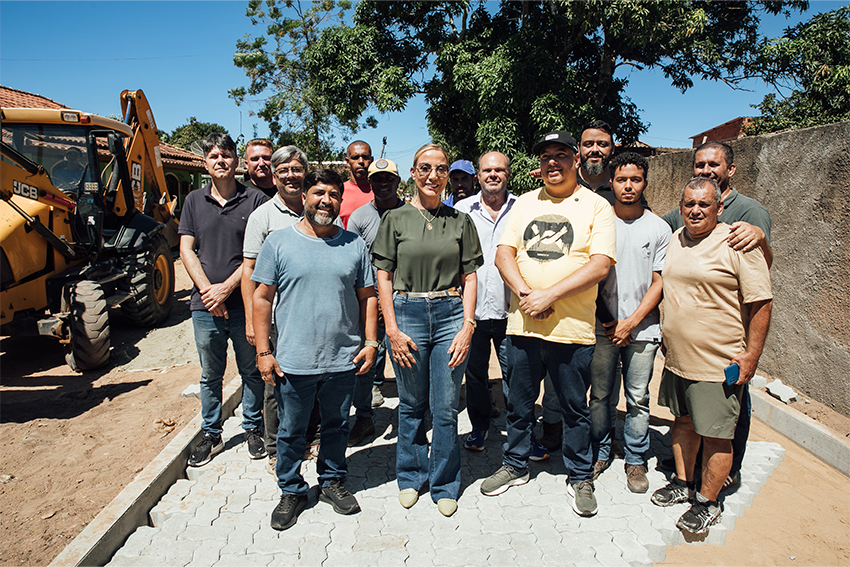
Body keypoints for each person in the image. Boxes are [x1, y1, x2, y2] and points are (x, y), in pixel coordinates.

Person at [480, 131, 616, 519]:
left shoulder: (595, 206)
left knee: (575, 408)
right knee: (519, 404)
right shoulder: (524, 203)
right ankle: (515, 464)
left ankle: (579, 475)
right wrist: (526, 293)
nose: (552, 162)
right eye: (545, 157)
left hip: (571, 329)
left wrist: (550, 295)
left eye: (560, 155)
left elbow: (600, 264)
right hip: (523, 326)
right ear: (538, 165)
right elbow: (504, 253)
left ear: (575, 159)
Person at [252, 168, 379, 530]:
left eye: (333, 194)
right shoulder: (278, 242)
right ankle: (291, 489)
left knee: (338, 425)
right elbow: (261, 298)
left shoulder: (353, 243)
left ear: (341, 200)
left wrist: (370, 342)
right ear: (305, 197)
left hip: (343, 359)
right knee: (292, 430)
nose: (326, 200)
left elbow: (368, 297)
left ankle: (332, 481)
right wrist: (264, 352)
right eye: (319, 192)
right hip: (294, 359)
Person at [651, 176, 772, 535]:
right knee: (682, 423)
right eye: (689, 204)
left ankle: (707, 502)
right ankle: (684, 483)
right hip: (677, 359)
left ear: (720, 208)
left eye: (704, 204)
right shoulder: (674, 240)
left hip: (718, 364)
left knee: (717, 435)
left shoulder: (737, 243)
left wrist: (750, 357)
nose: (695, 210)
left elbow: (761, 302)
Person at [372, 143, 483, 517]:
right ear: (414, 174)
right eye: (425, 168)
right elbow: (382, 276)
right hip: (407, 313)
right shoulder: (395, 220)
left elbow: (470, 276)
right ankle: (410, 476)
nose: (433, 175)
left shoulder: (461, 221)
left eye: (440, 169)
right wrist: (391, 327)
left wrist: (468, 325)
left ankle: (445, 483)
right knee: (411, 403)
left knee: (446, 406)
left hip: (451, 311)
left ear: (447, 174)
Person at [179, 133, 268, 467]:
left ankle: (253, 429)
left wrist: (226, 289)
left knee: (251, 371)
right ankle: (211, 433)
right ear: (206, 162)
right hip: (205, 308)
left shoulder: (255, 200)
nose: (220, 160)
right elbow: (187, 249)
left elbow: (257, 254)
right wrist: (207, 290)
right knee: (210, 374)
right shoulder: (192, 201)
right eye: (213, 155)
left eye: (226, 155)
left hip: (244, 303)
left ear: (236, 161)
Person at [588, 152, 671, 493]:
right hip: (602, 326)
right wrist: (611, 322)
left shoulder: (659, 228)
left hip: (643, 329)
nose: (628, 186)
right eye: (622, 180)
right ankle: (601, 450)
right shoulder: (599, 223)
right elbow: (590, 277)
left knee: (637, 397)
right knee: (600, 396)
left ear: (644, 184)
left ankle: (636, 459)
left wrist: (632, 322)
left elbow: (660, 282)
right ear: (611, 182)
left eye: (635, 180)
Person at [241, 145, 309, 475]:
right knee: (274, 385)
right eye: (284, 171)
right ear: (275, 175)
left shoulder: (317, 208)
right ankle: (274, 447)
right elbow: (248, 272)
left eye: (297, 169)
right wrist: (255, 324)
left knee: (313, 380)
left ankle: (310, 438)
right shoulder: (262, 217)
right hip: (278, 318)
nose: (291, 176)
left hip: (312, 314)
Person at [453, 151, 516, 451]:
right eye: (487, 170)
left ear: (507, 174)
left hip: (511, 311)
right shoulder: (462, 210)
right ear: (478, 175)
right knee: (475, 375)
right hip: (473, 312)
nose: (493, 175)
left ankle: (520, 432)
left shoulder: (521, 209)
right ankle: (480, 427)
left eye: (499, 170)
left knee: (516, 375)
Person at [347, 158, 405, 446]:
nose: (383, 184)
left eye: (388, 179)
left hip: (407, 300)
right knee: (366, 361)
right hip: (371, 301)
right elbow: (357, 264)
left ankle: (412, 418)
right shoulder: (359, 217)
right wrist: (374, 301)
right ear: (370, 184)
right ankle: (364, 418)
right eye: (377, 179)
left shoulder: (412, 214)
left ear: (398, 181)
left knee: (408, 361)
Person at [339, 140, 374, 228]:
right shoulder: (338, 192)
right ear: (347, 162)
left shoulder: (380, 192)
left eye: (365, 157)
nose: (361, 161)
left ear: (371, 160)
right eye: (355, 157)